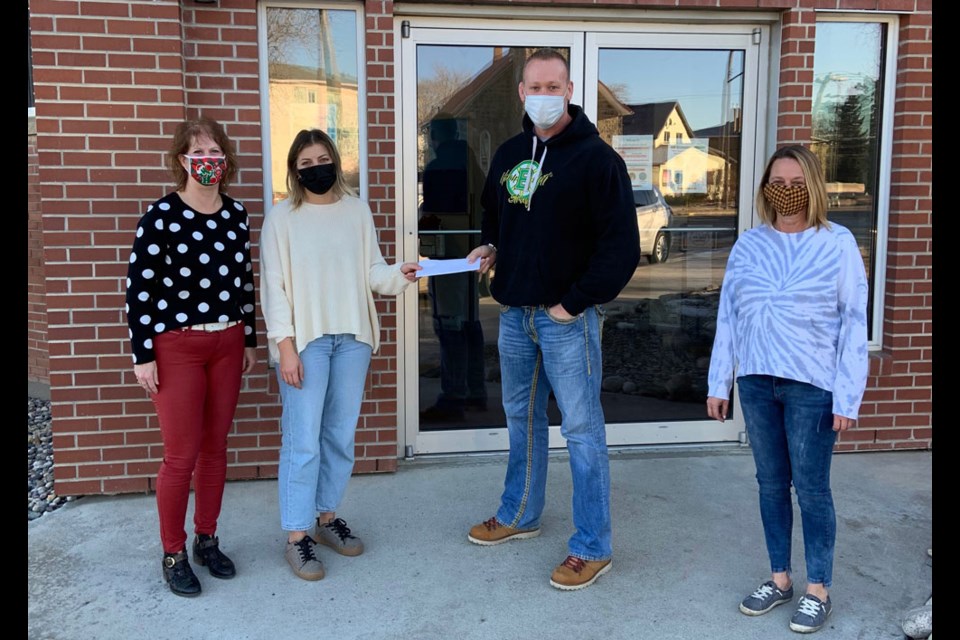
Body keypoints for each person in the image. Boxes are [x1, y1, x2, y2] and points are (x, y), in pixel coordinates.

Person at [464, 49, 640, 591]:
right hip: (516, 316)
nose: (544, 94)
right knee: (523, 421)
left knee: (582, 432)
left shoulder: (598, 160)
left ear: (568, 90)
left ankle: (593, 546)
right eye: (534, 85)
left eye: (554, 85)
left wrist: (574, 302)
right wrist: (491, 245)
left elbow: (621, 249)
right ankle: (520, 513)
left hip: (569, 320)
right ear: (521, 92)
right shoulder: (510, 153)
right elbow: (496, 212)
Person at [706, 145, 869, 633]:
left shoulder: (837, 244)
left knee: (813, 489)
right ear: (764, 187)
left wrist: (847, 395)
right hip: (757, 381)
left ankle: (819, 588)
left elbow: (854, 323)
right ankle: (780, 580)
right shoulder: (748, 246)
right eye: (778, 180)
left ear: (813, 187)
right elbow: (729, 318)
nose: (787, 189)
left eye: (798, 181)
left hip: (812, 386)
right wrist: (721, 382)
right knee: (771, 484)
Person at [259, 128, 421, 581]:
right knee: (303, 439)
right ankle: (296, 536)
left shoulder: (356, 211)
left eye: (322, 159)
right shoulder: (281, 218)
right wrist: (285, 348)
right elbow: (274, 289)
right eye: (306, 163)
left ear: (336, 161)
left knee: (339, 436)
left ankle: (326, 518)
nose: (316, 169)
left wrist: (400, 274)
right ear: (295, 170)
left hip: (352, 339)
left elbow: (372, 272)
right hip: (305, 343)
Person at [124, 116, 258, 597]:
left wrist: (248, 340)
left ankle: (207, 538)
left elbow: (244, 282)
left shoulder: (236, 215)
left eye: (215, 153)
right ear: (182, 160)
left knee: (215, 447)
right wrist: (144, 354)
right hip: (177, 345)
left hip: (227, 342)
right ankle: (173, 551)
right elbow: (139, 290)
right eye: (198, 153)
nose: (209, 162)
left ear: (226, 159)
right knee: (181, 455)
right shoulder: (160, 216)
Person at [419, 114, 487, 422]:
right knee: (470, 323)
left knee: (449, 326)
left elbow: (432, 216)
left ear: (434, 137)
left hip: (449, 258)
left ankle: (452, 397)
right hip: (472, 254)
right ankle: (476, 392)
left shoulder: (440, 168)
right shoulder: (471, 164)